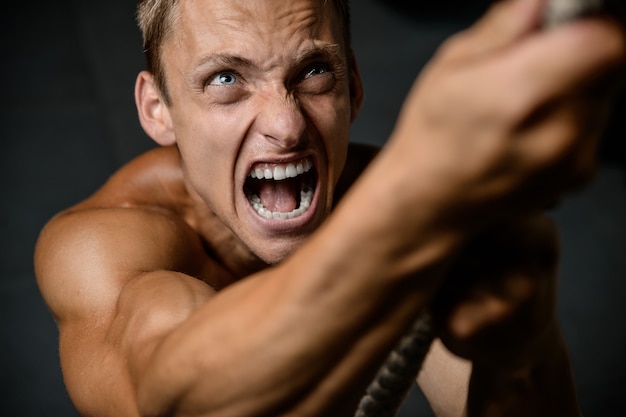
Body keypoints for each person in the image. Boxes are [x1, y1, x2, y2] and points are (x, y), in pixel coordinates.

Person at [34, 0, 624, 416]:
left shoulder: (416, 215)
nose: (286, 125)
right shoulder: (104, 246)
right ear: (158, 108)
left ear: (354, 88)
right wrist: (413, 203)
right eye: (225, 80)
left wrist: (522, 349)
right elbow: (179, 398)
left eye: (314, 71)